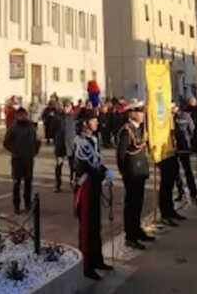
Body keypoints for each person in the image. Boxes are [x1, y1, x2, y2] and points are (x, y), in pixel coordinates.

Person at [73, 110, 114, 280]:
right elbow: (87, 165)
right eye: (93, 120)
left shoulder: (92, 139)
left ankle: (97, 259)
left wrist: (106, 172)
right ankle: (86, 265)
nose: (97, 122)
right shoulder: (80, 141)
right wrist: (103, 173)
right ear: (85, 123)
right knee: (87, 227)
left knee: (96, 225)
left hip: (94, 184)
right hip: (86, 186)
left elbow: (97, 161)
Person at [116, 99, 153, 249]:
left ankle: (137, 230)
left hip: (140, 172)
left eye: (142, 111)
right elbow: (121, 155)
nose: (142, 114)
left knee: (138, 204)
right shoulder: (127, 130)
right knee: (131, 205)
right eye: (139, 111)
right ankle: (130, 236)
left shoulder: (139, 129)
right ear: (131, 114)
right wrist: (124, 173)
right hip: (131, 173)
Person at [3, 107, 40, 213]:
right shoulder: (13, 128)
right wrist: (15, 150)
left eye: (24, 115)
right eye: (20, 115)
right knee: (17, 183)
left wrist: (34, 152)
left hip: (28, 159)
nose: (22, 117)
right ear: (17, 116)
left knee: (28, 183)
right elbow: (6, 143)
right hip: (17, 159)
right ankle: (16, 206)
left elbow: (37, 141)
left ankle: (28, 205)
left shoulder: (31, 127)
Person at [172, 104, 197, 202]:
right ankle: (181, 192)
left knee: (188, 171)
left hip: (184, 148)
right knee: (176, 173)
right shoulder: (166, 117)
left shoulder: (184, 116)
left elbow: (192, 131)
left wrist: (192, 146)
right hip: (172, 149)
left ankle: (194, 194)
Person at [53, 101, 77, 191]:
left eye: (68, 106)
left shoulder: (74, 118)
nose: (66, 108)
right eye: (65, 106)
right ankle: (58, 184)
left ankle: (73, 182)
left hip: (71, 145)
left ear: (71, 107)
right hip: (60, 144)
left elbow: (77, 130)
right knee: (59, 164)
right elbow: (53, 129)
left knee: (73, 165)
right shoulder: (58, 117)